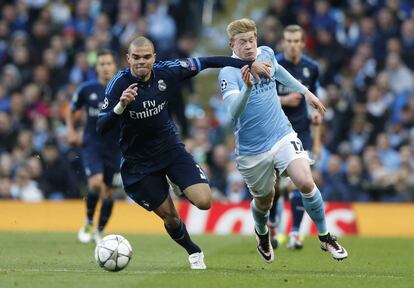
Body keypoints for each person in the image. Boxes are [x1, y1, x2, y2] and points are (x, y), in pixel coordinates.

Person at [97, 36, 270, 270]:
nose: (141, 62)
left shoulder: (167, 71)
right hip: (139, 164)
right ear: (128, 59)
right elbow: (102, 128)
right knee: (171, 216)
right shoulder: (118, 85)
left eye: (146, 57)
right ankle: (193, 251)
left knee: (205, 201)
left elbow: (208, 61)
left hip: (170, 150)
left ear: (154, 58)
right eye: (136, 57)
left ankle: (178, 183)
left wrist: (247, 65)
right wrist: (121, 106)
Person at [218, 18, 348, 263]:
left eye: (252, 39)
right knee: (265, 201)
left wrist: (305, 91)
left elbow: (279, 72)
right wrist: (246, 87)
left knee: (305, 181)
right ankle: (262, 232)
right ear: (231, 44)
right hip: (252, 149)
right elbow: (233, 112)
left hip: (282, 134)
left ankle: (325, 236)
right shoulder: (227, 72)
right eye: (242, 41)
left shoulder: (266, 53)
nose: (248, 45)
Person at [268, 24, 323, 250]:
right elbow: (261, 98)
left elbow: (316, 107)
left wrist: (317, 140)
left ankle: (295, 233)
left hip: (301, 132)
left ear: (302, 43)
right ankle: (272, 224)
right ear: (283, 42)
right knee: (275, 185)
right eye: (288, 41)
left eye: (296, 41)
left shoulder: (312, 68)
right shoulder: (272, 65)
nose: (291, 45)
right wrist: (284, 100)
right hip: (274, 130)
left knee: (299, 183)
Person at [66, 50, 122, 244]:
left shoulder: (122, 88)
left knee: (109, 192)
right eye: (102, 64)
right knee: (96, 183)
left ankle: (99, 230)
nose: (105, 67)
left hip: (115, 147)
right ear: (96, 67)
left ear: (114, 66)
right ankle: (89, 221)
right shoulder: (86, 89)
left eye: (109, 63)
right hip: (92, 144)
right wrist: (72, 131)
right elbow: (71, 110)